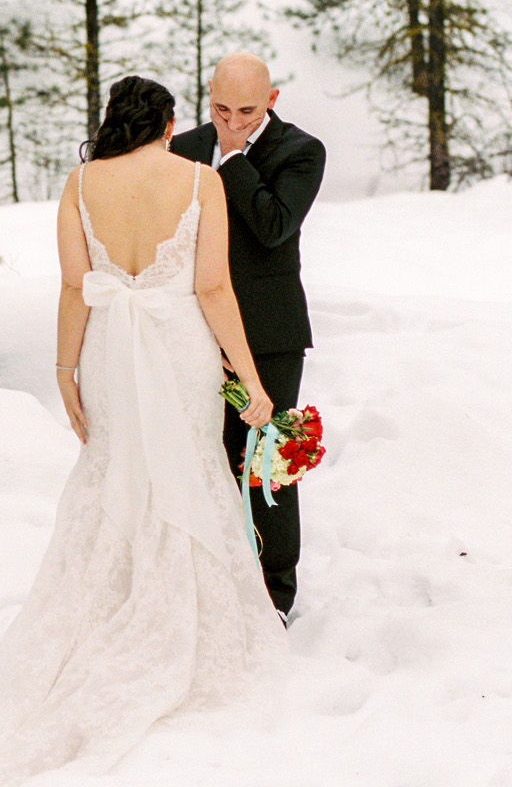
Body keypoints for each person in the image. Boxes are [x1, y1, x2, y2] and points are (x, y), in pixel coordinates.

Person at [0, 75, 285, 786]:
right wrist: (252, 377)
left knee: (116, 464)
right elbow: (212, 288)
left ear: (114, 121)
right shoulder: (202, 180)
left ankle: (111, 600)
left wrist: (65, 370)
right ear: (171, 123)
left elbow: (71, 284)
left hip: (109, 346)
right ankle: (180, 617)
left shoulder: (81, 182)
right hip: (178, 345)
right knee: (187, 464)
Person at [169, 52, 325, 621]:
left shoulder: (300, 152)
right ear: (206, 95)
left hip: (268, 334)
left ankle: (274, 592)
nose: (232, 122)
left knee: (266, 462)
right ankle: (212, 581)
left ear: (273, 100)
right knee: (203, 458)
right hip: (194, 332)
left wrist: (233, 161)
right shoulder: (181, 149)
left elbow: (273, 225)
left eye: (247, 110)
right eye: (221, 109)